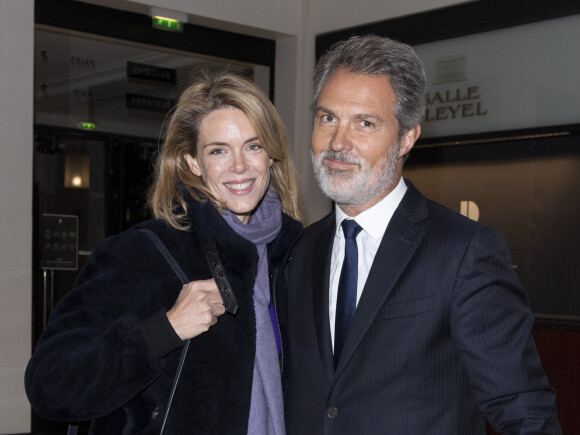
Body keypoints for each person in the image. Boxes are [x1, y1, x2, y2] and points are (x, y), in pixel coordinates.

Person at [283, 35, 561, 434]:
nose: (338, 143)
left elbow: (524, 413)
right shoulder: (302, 251)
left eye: (365, 123)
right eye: (328, 118)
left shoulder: (464, 251)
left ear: (407, 137)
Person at [25, 70, 302, 434]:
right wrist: (164, 330)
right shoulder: (142, 253)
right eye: (218, 150)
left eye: (253, 146)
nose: (239, 165)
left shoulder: (296, 256)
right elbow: (51, 383)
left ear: (270, 156)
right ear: (192, 163)